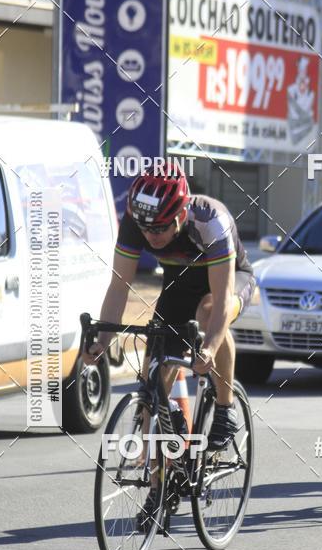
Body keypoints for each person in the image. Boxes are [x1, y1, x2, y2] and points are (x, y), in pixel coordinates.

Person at [84, 169, 256, 451]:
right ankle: (159, 487)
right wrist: (103, 342)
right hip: (179, 283)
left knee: (208, 311)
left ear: (180, 214)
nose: (150, 235)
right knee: (153, 382)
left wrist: (210, 346)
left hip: (231, 281)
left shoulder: (211, 222)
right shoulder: (136, 220)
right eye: (144, 228)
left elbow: (223, 298)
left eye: (160, 228)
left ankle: (225, 410)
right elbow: (119, 286)